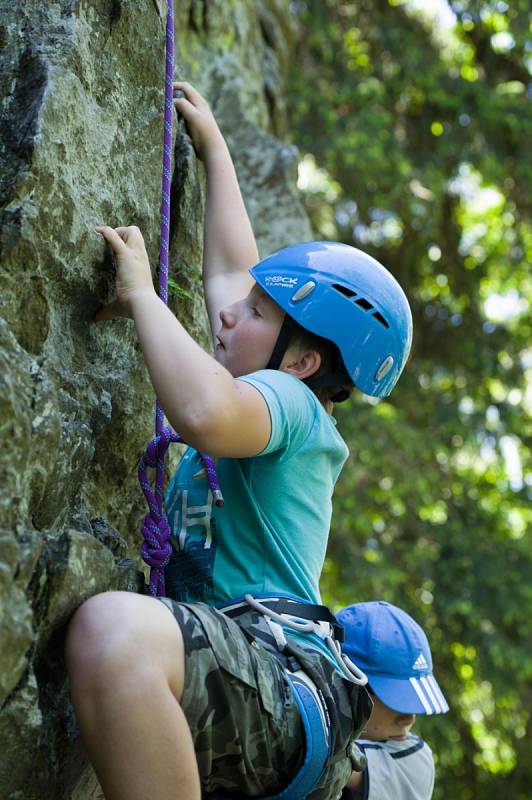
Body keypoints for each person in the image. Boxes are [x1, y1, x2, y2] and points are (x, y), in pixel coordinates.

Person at [65, 82, 412, 800]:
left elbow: (203, 411)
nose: (226, 317)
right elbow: (232, 274)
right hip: (255, 693)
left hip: (281, 679)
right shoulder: (280, 375)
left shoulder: (294, 406)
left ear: (303, 360)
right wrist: (214, 151)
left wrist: (141, 295)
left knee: (114, 635)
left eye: (255, 313)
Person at [337, 602, 449, 800]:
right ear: (349, 687)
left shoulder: (415, 758)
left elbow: (332, 764)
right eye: (396, 701)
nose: (409, 719)